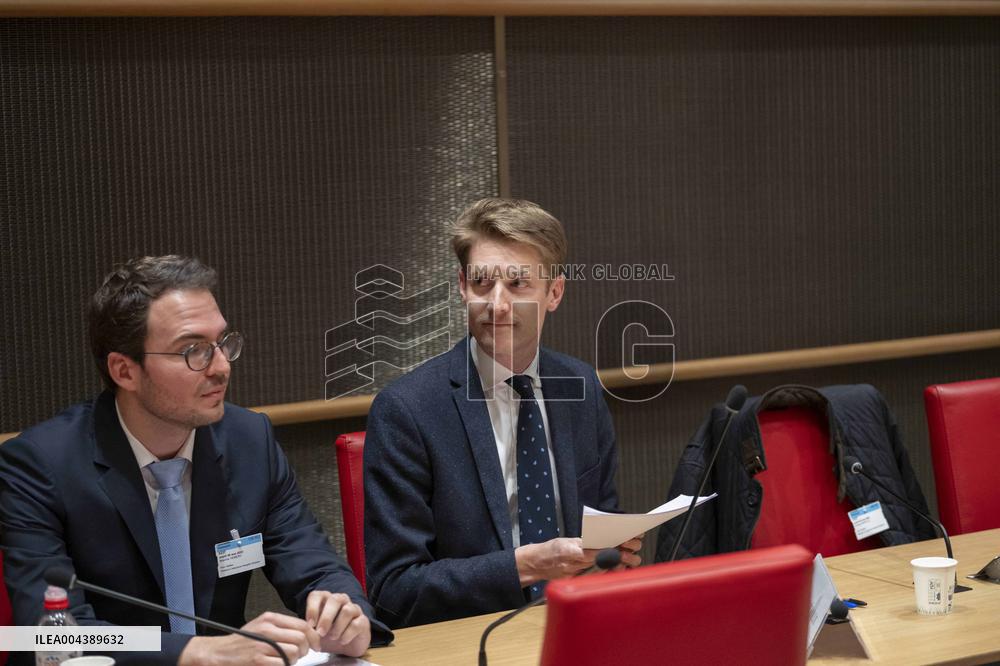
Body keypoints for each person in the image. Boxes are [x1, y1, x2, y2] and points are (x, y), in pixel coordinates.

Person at [0, 256, 391, 665]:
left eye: (222, 343)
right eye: (193, 351)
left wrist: (348, 617)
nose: (221, 366)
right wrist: (194, 652)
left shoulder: (248, 441)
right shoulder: (40, 465)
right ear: (124, 370)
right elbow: (53, 635)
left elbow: (315, 568)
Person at [364, 198, 641, 629]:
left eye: (517, 284)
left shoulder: (581, 387)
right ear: (461, 285)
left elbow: (601, 531)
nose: (497, 304)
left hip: (578, 627)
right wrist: (525, 566)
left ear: (554, 293)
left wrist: (612, 557)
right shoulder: (407, 411)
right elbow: (394, 591)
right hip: (472, 639)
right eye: (481, 283)